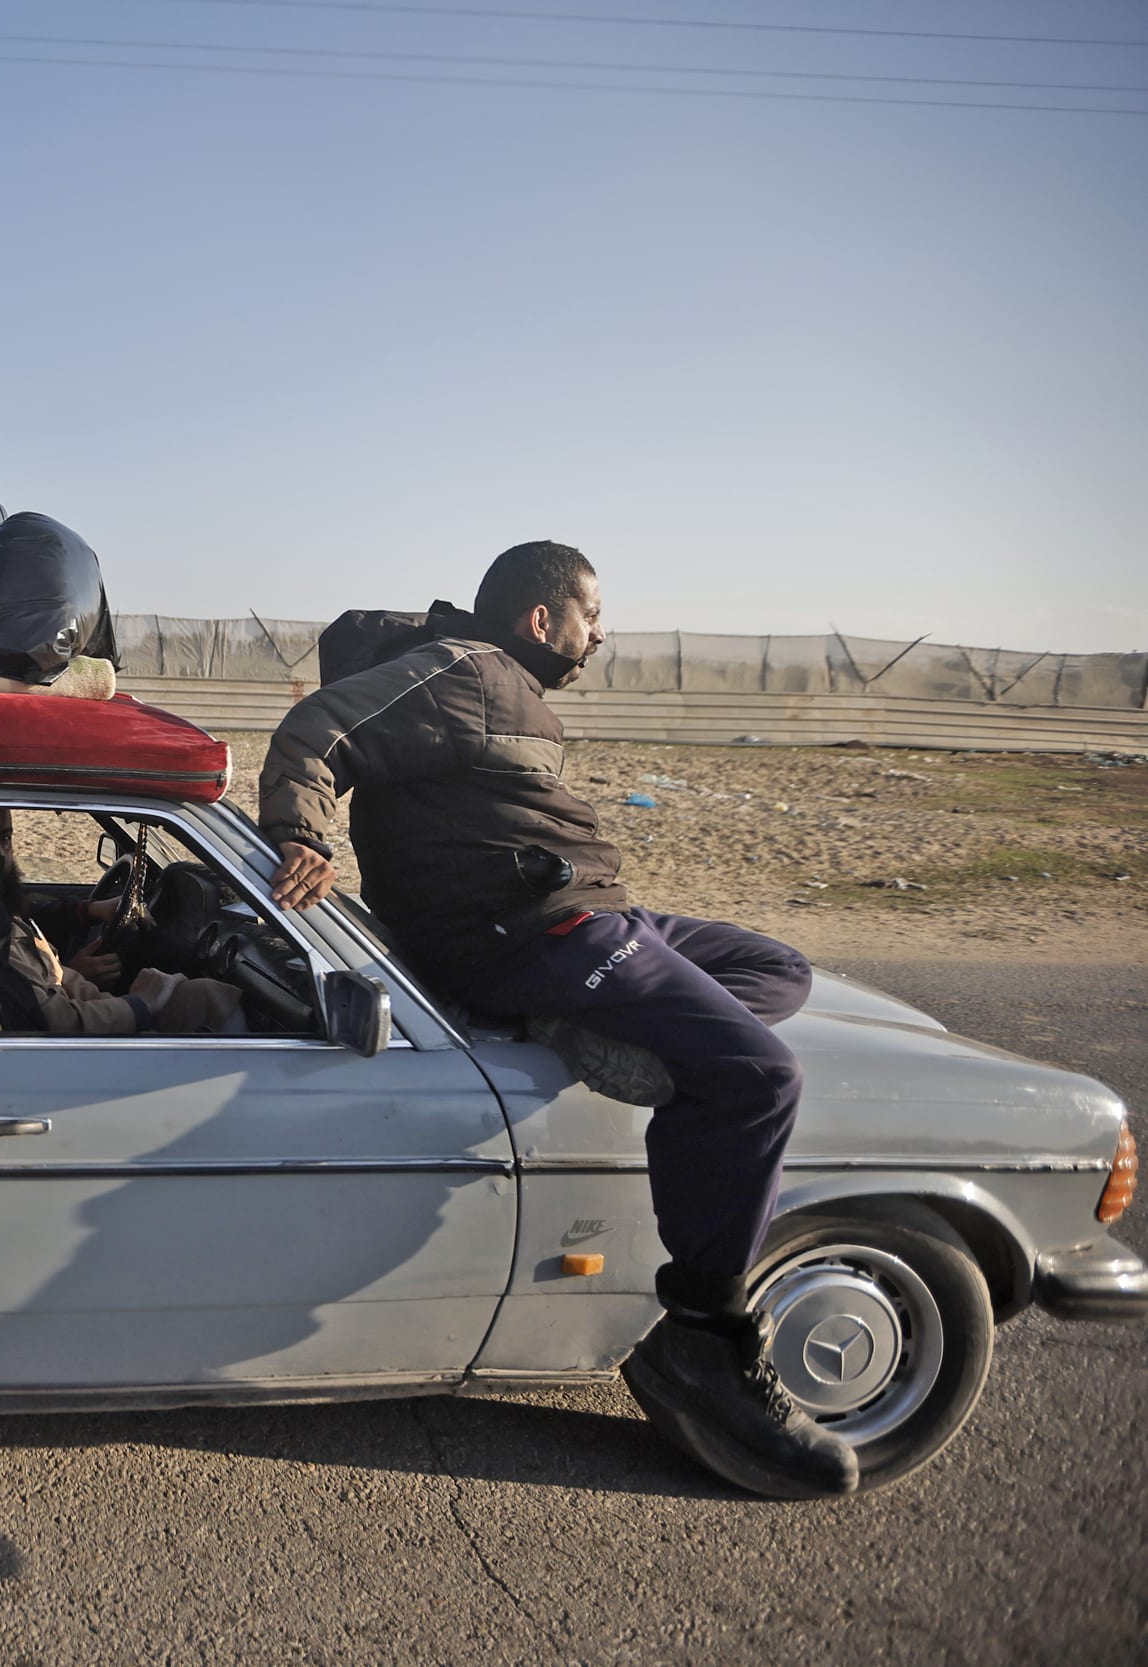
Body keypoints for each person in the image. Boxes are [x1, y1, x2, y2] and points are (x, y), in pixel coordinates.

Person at [258, 540, 855, 1499]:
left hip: (587, 918)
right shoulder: (464, 669)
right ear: (544, 619)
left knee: (775, 966)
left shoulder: (496, 685)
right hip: (541, 931)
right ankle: (705, 1335)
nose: (601, 633)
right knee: (762, 1079)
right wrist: (300, 834)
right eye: (593, 614)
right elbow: (318, 733)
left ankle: (588, 1025)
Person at [0, 806, 242, 1035]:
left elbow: (32, 922)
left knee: (203, 994)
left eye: (5, 838)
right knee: (209, 999)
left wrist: (87, 915)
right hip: (65, 1046)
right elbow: (47, 1015)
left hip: (80, 1014)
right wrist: (140, 1005)